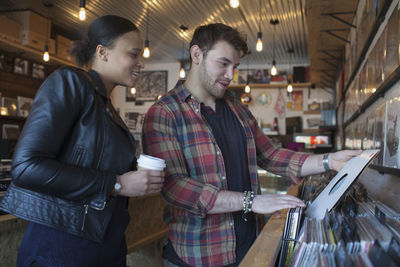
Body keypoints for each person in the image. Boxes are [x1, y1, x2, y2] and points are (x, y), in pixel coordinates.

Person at [142, 23, 361, 267]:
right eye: (223, 63)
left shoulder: (238, 110)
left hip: (250, 246)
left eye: (234, 66)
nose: (230, 75)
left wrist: (329, 160)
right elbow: (175, 187)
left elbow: (272, 156)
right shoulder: (165, 113)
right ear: (196, 55)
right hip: (197, 255)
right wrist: (251, 201)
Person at [0, 15, 164, 267]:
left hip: (103, 245)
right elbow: (26, 167)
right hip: (63, 248)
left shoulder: (105, 105)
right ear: (102, 52)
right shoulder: (70, 82)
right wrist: (117, 183)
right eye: (133, 54)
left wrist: (135, 175)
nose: (140, 63)